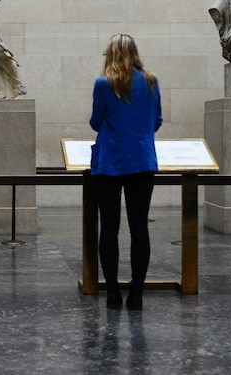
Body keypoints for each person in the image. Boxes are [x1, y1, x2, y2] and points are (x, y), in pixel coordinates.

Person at [89, 34, 162, 310]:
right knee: (139, 226)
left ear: (110, 53)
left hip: (110, 162)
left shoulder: (103, 83)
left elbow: (96, 122)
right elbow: (157, 120)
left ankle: (111, 294)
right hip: (142, 161)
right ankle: (137, 293)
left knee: (109, 227)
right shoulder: (152, 80)